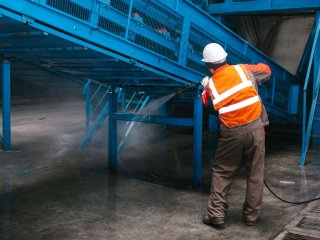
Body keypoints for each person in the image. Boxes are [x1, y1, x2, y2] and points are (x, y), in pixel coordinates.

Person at [200, 43, 271, 229]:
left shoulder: (211, 85)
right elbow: (266, 70)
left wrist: (206, 85)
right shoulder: (242, 70)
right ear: (225, 58)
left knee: (223, 171)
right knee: (256, 172)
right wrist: (253, 78)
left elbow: (207, 103)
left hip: (232, 133)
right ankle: (251, 217)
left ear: (209, 67)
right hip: (255, 128)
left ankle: (216, 215)